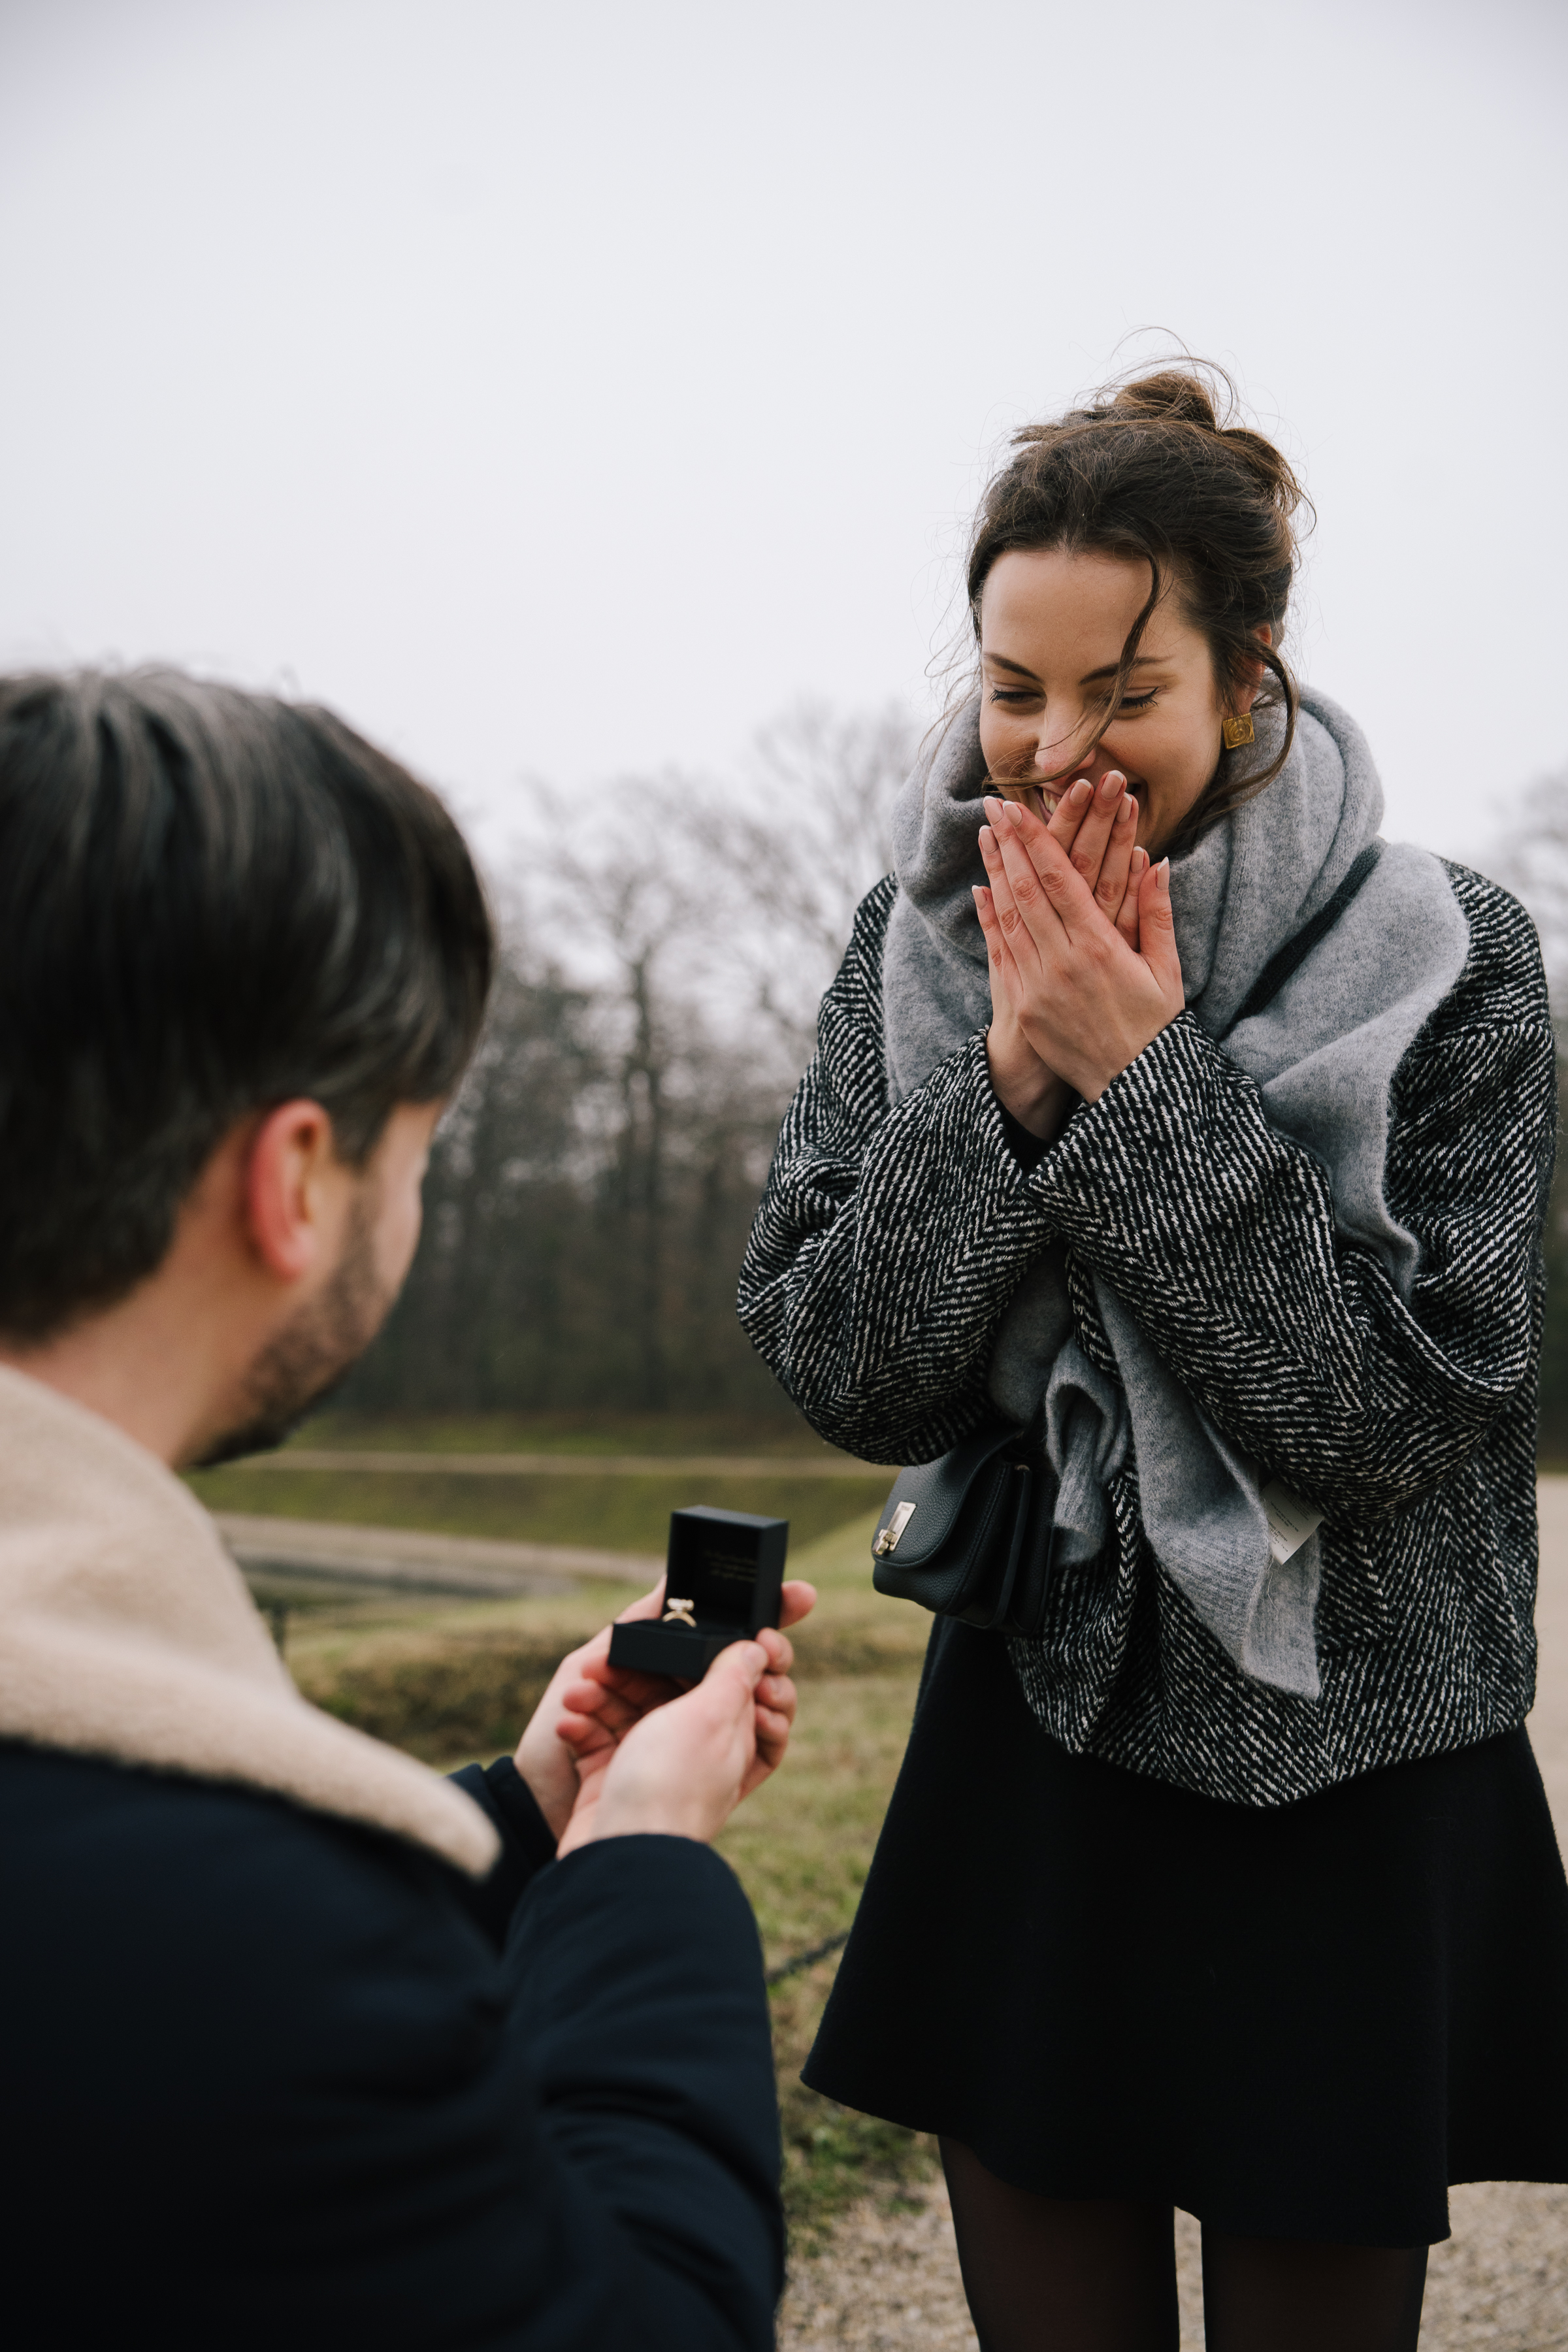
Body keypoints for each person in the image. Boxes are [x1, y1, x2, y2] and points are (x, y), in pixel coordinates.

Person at [739, 367, 1568, 2352]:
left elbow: (1389, 1421)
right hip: (1039, 1736)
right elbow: (847, 1367)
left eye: (1125, 690)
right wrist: (1010, 1084)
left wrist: (1138, 1076)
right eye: (1013, 689)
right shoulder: (922, 945)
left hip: (1349, 1762)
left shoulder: (1452, 955)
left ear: (1250, 672)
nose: (1050, 750)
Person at [0, 668, 815, 2350]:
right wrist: (646, 1864)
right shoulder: (241, 1947)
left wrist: (529, 1812)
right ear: (299, 1180)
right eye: (421, 1146)